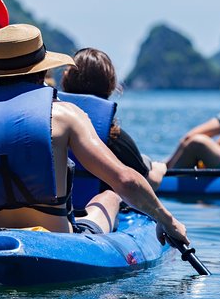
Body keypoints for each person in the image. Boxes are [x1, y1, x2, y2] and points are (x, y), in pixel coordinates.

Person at [0, 23, 188, 246]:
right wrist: (167, 220)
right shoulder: (64, 116)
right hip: (56, 237)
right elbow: (125, 180)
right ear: (43, 70)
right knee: (110, 195)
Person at [59, 48, 167, 211]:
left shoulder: (50, 125)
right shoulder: (113, 137)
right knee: (146, 165)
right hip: (97, 211)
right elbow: (145, 185)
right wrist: (160, 170)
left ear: (65, 81)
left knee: (143, 161)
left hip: (57, 209)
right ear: (110, 86)